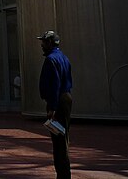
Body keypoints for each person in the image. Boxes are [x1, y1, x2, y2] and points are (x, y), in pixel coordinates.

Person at [38, 30, 73, 179]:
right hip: (65, 98)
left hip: (58, 101)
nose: (42, 45)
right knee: (62, 138)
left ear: (50, 43)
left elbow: (55, 84)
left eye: (44, 42)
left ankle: (63, 175)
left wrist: (52, 107)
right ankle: (64, 173)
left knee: (59, 141)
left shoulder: (51, 59)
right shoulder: (63, 57)